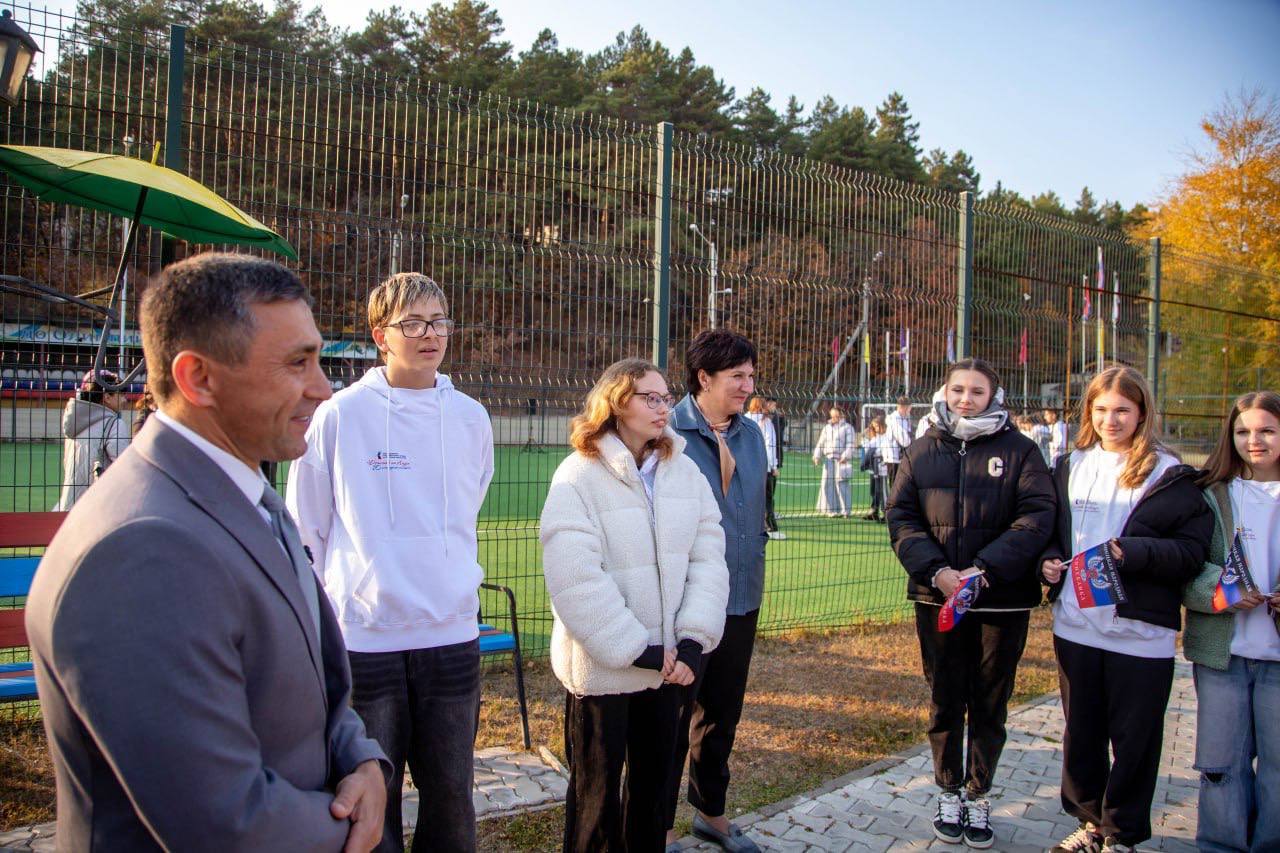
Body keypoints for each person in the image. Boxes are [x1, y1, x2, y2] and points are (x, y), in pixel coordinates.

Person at [25, 252, 390, 851]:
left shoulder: (247, 493)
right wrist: (351, 823)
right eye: (297, 363)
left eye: (318, 358)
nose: (323, 388)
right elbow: (222, 823)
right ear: (198, 378)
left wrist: (365, 763)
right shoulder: (140, 553)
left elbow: (317, 682)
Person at [287, 272, 493, 852]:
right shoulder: (339, 415)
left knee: (451, 793)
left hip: (452, 634)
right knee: (372, 796)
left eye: (439, 322)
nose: (430, 335)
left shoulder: (472, 418)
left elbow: (466, 505)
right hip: (365, 640)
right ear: (381, 334)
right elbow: (309, 526)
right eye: (412, 324)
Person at [540, 358, 730, 852]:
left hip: (670, 669)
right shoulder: (577, 475)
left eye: (665, 397)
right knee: (596, 801)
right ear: (617, 402)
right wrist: (635, 648)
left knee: (652, 797)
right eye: (649, 397)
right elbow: (575, 579)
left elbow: (709, 559)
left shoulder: (684, 472)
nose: (662, 407)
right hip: (606, 670)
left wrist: (692, 642)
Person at [1039, 366, 1212, 853]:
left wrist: (1131, 553)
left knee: (1134, 741)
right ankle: (1090, 825)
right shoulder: (1070, 464)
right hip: (1076, 626)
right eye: (1101, 410)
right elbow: (1052, 531)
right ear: (1088, 412)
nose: (1110, 420)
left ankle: (1123, 834)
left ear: (1141, 414)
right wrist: (1047, 562)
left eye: (1122, 411)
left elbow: (1191, 553)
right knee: (1082, 735)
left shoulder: (1169, 473)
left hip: (1140, 633)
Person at [887, 358, 1054, 849]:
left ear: (993, 397)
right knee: (944, 698)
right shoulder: (920, 452)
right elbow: (902, 518)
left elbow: (1036, 516)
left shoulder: (1022, 452)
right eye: (958, 389)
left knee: (989, 701)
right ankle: (947, 788)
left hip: (1000, 602)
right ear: (945, 392)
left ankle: (979, 793)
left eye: (977, 392)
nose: (966, 399)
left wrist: (983, 570)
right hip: (936, 598)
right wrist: (938, 573)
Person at [667, 329, 768, 853]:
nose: (748, 386)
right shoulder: (667, 431)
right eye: (737, 377)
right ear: (703, 378)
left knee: (721, 715)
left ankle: (711, 812)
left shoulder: (751, 435)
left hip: (742, 597)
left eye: (751, 376)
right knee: (670, 718)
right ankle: (657, 826)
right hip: (683, 605)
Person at [1184, 391, 1280, 853]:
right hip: (1223, 655)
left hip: (1277, 659)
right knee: (1222, 765)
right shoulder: (1210, 493)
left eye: (1266, 430)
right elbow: (1186, 564)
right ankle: (1219, 846)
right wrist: (1220, 592)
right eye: (1243, 431)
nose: (1253, 440)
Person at [51, 368, 129, 510]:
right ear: (107, 396)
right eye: (121, 394)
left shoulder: (75, 423)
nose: (125, 400)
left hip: (69, 503)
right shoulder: (114, 424)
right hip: (98, 507)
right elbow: (125, 467)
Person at [746, 397, 784, 540]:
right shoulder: (766, 422)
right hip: (763, 466)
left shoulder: (744, 419)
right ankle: (770, 526)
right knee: (767, 498)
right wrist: (773, 466)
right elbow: (770, 445)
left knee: (749, 497)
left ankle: (750, 525)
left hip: (747, 465)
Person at [813, 406, 854, 517]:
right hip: (828, 459)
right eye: (832, 416)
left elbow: (850, 444)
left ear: (841, 415)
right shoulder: (827, 428)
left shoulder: (848, 428)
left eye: (836, 416)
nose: (834, 418)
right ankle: (831, 510)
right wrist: (817, 456)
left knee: (842, 485)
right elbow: (821, 443)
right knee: (827, 484)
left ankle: (846, 511)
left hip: (841, 461)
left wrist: (845, 456)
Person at [884, 396, 914, 489]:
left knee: (901, 484)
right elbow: (904, 440)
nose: (910, 411)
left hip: (900, 456)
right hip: (894, 457)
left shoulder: (903, 419)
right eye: (909, 408)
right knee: (895, 485)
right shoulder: (895, 420)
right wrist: (911, 441)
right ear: (904, 407)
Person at [861, 416, 887, 523]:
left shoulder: (886, 437)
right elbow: (868, 450)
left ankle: (885, 513)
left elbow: (881, 451)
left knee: (882, 491)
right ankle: (874, 512)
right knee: (874, 491)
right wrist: (864, 437)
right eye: (874, 426)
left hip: (883, 469)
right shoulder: (875, 439)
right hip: (874, 469)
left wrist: (875, 452)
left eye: (877, 426)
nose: (875, 428)